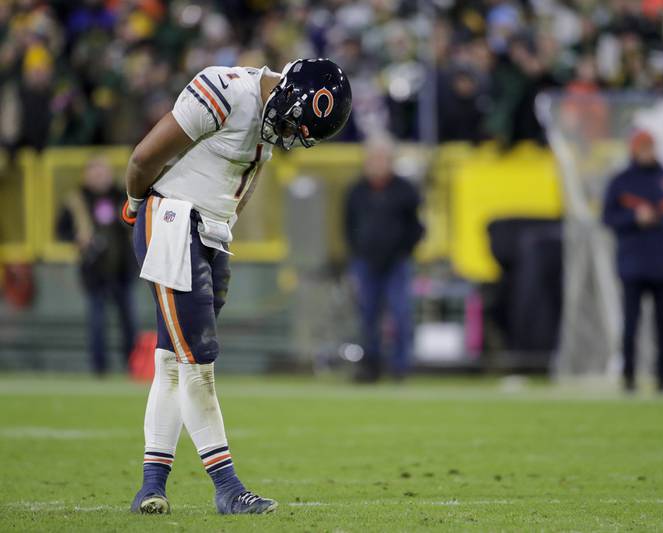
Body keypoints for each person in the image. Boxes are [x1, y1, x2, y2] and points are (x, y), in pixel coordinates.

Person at [121, 59, 351, 515]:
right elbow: (144, 157)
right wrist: (133, 205)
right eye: (289, 122)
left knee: (172, 362)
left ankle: (151, 486)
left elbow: (242, 182)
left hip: (210, 233)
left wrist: (223, 231)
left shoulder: (271, 116)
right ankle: (227, 487)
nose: (287, 134)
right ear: (282, 88)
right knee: (197, 362)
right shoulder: (225, 89)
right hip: (172, 221)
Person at [602, 130, 663, 393]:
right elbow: (608, 218)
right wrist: (633, 218)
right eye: (643, 148)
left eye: (650, 147)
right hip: (633, 264)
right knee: (631, 325)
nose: (647, 153)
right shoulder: (622, 181)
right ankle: (629, 376)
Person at [344, 136, 424, 382]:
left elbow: (417, 226)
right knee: (367, 316)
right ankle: (371, 366)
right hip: (366, 262)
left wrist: (404, 250)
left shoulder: (404, 191)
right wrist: (357, 252)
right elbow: (348, 226)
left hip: (397, 262)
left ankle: (400, 367)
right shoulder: (356, 191)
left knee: (400, 314)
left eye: (382, 158)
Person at [57, 156, 138, 376]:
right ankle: (99, 368)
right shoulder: (77, 199)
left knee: (129, 321)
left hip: (123, 270)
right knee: (97, 322)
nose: (99, 176)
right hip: (94, 272)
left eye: (102, 171)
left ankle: (133, 365)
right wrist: (77, 238)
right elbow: (60, 230)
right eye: (94, 172)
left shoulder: (123, 195)